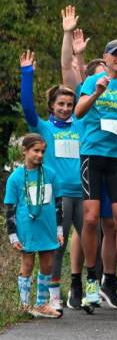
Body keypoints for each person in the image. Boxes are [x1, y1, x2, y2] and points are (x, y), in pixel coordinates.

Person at [75, 38, 117, 311]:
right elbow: (79, 113)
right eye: (115, 55)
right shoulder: (94, 81)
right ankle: (91, 278)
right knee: (90, 219)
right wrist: (96, 93)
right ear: (106, 57)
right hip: (92, 153)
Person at [20, 49, 83, 313]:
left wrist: (77, 60)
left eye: (69, 104)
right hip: (56, 195)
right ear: (52, 106)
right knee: (56, 245)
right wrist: (26, 74)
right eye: (61, 105)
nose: (66, 109)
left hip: (82, 192)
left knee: (95, 242)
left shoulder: (80, 123)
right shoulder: (44, 128)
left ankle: (88, 287)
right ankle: (53, 294)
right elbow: (26, 107)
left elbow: (88, 93)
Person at [4, 133, 65, 318]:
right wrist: (13, 235)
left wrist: (59, 229)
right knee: (28, 263)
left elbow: (58, 204)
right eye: (35, 150)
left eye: (42, 151)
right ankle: (24, 304)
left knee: (47, 264)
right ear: (24, 151)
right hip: (27, 229)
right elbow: (10, 208)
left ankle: (41, 304)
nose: (39, 155)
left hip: (47, 228)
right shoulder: (15, 178)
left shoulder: (51, 174)